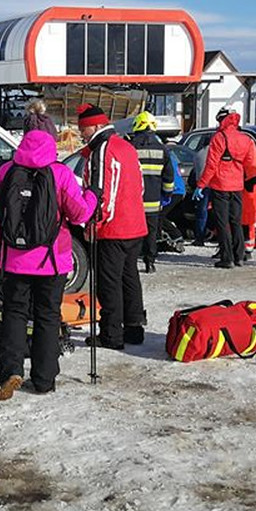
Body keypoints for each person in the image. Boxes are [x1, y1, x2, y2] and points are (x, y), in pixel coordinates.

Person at [0, 130, 97, 400]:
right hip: (52, 261)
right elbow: (80, 213)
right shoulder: (60, 174)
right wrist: (93, 196)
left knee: (14, 314)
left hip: (14, 259)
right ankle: (44, 379)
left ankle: (10, 371)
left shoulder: (6, 171)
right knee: (47, 317)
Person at [77, 103, 147, 350]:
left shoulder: (102, 149)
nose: (80, 134)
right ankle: (134, 327)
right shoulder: (126, 146)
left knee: (109, 282)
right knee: (130, 277)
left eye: (83, 129)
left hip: (113, 226)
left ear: (95, 126)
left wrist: (93, 221)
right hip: (135, 223)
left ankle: (111, 334)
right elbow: (140, 186)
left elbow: (100, 191)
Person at [195, 108, 256, 268]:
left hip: (221, 185)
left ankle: (227, 258)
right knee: (236, 221)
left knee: (222, 222)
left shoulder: (219, 138)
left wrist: (201, 185)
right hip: (238, 185)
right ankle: (240, 255)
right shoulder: (245, 138)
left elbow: (211, 165)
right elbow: (251, 164)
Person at [127, 111, 175, 273]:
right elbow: (169, 178)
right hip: (154, 202)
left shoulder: (130, 148)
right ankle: (150, 262)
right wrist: (167, 195)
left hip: (134, 202)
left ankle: (132, 262)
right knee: (151, 233)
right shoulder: (162, 150)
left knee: (133, 234)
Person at [187, 146, 210, 246]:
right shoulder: (218, 150)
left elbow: (195, 172)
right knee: (221, 213)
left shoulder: (199, 154)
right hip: (218, 184)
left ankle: (199, 238)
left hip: (201, 185)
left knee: (201, 212)